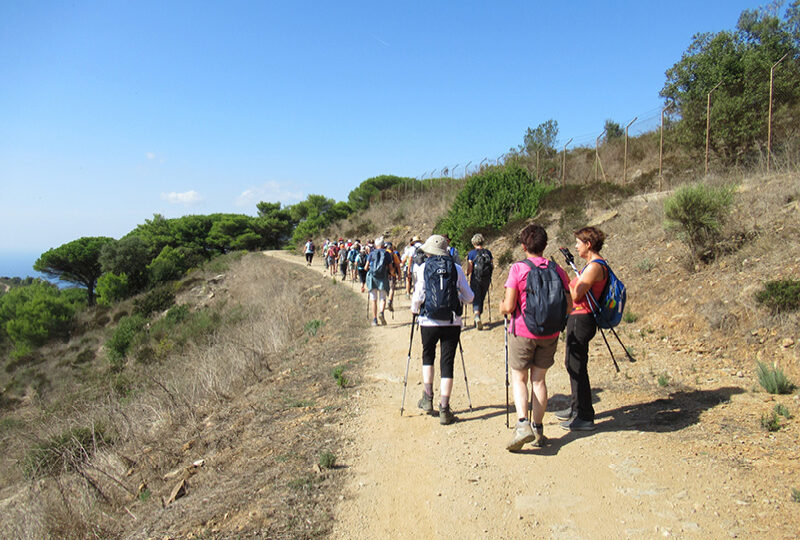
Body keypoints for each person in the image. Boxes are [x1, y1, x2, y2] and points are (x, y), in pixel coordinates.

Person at [500, 224, 572, 451]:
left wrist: (502, 307)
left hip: (522, 331)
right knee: (539, 380)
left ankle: (522, 425)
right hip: (550, 332)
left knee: (519, 378)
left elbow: (510, 305)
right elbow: (569, 306)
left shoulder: (518, 269)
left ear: (523, 246)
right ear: (544, 244)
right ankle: (539, 430)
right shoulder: (558, 269)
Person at [411, 234, 474, 425]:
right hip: (452, 321)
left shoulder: (422, 268)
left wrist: (414, 310)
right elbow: (469, 296)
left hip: (428, 321)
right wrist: (459, 299)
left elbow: (418, 296)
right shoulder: (455, 268)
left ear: (429, 251)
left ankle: (427, 398)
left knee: (427, 356)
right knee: (448, 363)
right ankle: (445, 410)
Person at [557, 226, 608, 432]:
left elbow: (577, 295)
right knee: (572, 364)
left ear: (588, 244)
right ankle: (577, 408)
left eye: (579, 242)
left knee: (576, 365)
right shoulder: (591, 265)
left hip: (582, 319)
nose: (576, 246)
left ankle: (585, 415)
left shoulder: (595, 266)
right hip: (578, 317)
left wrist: (567, 283)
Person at [465, 233, 493, 330]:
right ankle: (478, 316)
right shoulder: (488, 253)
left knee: (476, 296)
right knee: (482, 297)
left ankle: (477, 316)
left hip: (476, 279)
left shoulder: (472, 254)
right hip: (486, 278)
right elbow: (492, 265)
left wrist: (467, 273)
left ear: (473, 243)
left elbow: (470, 268)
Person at [365, 237, 391, 326]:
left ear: (375, 245)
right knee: (382, 298)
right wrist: (392, 274)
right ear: (383, 245)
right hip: (383, 278)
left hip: (372, 278)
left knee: (374, 300)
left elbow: (365, 267)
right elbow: (390, 268)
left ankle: (375, 320)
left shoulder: (371, 254)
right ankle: (382, 313)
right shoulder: (387, 254)